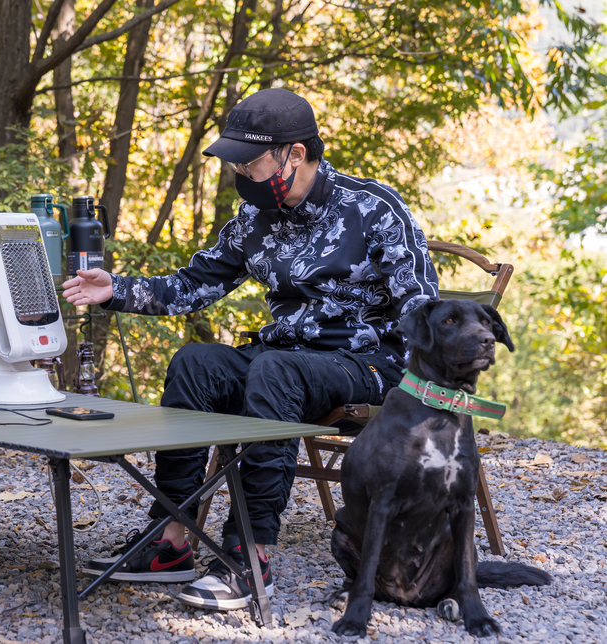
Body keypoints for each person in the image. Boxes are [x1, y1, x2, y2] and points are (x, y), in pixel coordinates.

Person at [61, 88, 440, 611]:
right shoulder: (253, 217)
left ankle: (249, 553)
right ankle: (171, 541)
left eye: (249, 162)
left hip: (365, 363)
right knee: (197, 362)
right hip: (283, 359)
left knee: (274, 370)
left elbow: (421, 306)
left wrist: (433, 392)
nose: (239, 174)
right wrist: (115, 289)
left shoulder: (373, 210)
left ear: (296, 154)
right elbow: (194, 284)